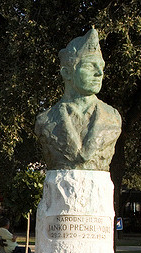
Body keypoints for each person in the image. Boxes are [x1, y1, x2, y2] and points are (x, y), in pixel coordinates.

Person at [34, 28, 121, 171]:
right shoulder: (45, 121)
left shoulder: (113, 118)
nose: (99, 73)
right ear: (67, 73)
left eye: (101, 67)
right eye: (89, 66)